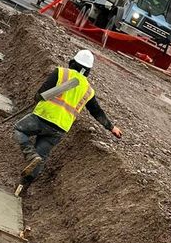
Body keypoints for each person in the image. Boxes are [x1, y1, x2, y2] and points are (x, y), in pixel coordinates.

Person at [13, 49, 122, 194]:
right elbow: (96, 111)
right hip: (60, 129)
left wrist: (38, 98)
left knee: (19, 129)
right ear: (88, 70)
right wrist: (111, 127)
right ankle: (21, 189)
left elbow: (40, 94)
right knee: (41, 156)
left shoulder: (61, 73)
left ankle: (30, 154)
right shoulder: (88, 90)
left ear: (72, 62)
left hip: (42, 117)